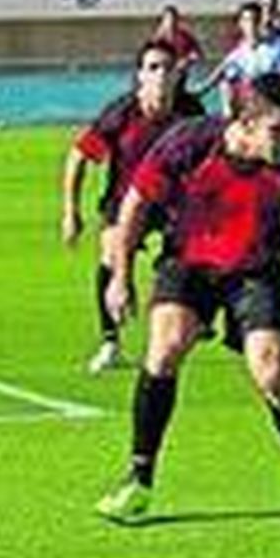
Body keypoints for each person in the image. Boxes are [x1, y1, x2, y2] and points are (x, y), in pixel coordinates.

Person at [95, 73, 280, 525]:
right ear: (246, 122)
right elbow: (133, 204)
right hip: (187, 264)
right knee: (165, 347)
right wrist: (119, 277)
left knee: (270, 371)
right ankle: (138, 482)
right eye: (279, 130)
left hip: (255, 271)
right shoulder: (190, 143)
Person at [61, 41, 205, 373]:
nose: (160, 75)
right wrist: (72, 211)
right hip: (126, 201)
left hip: (174, 203)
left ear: (177, 75)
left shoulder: (191, 112)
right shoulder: (121, 114)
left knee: (208, 254)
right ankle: (110, 341)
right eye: (153, 67)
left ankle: (223, 322)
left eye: (167, 68)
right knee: (111, 256)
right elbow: (79, 156)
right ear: (140, 75)